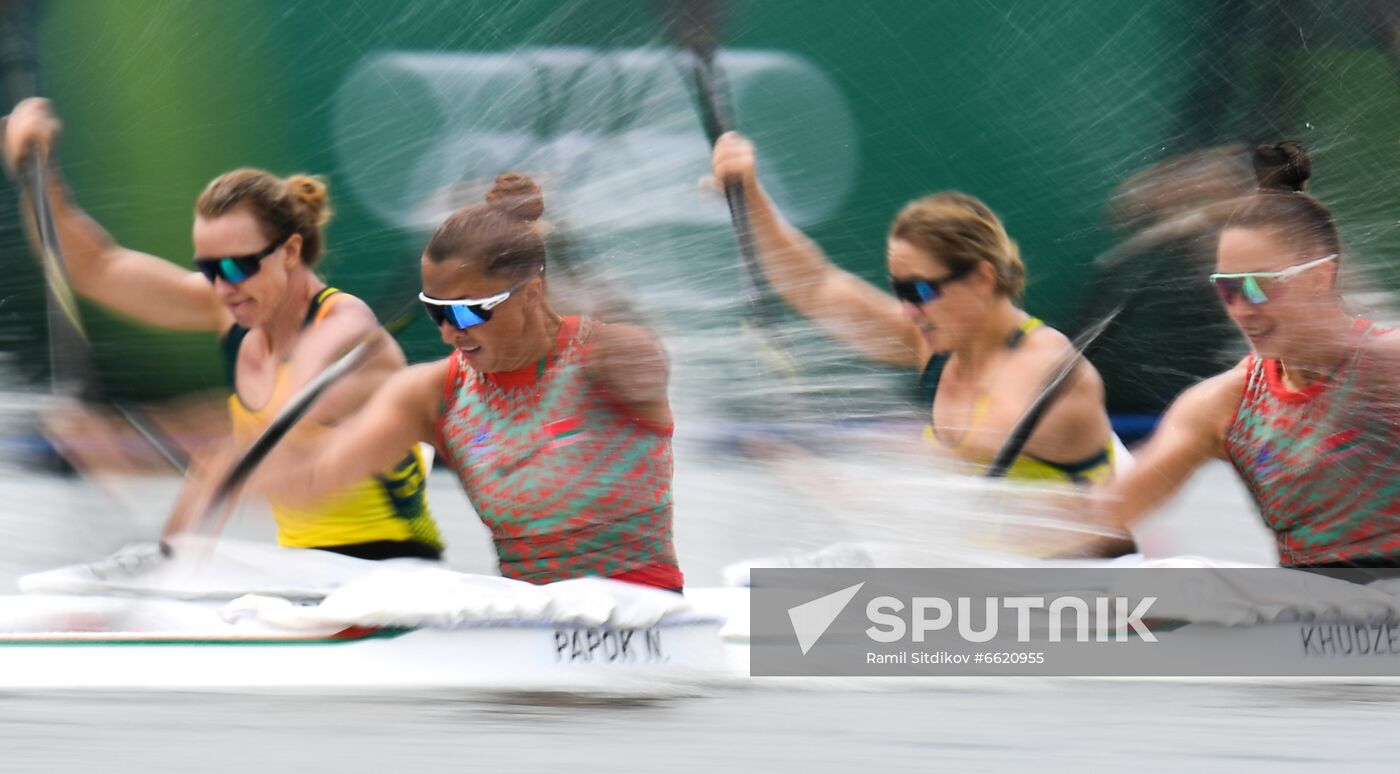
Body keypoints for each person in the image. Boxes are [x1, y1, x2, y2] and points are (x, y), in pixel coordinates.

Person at [2, 98, 444, 561]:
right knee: (215, 471)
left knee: (223, 460)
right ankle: (162, 575)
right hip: (308, 573)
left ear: (290, 252)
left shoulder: (347, 333)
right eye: (208, 268)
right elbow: (95, 266)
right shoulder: (233, 303)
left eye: (237, 266)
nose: (221, 285)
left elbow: (280, 453)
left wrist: (130, 442)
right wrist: (38, 175)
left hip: (393, 570)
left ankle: (163, 577)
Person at [247, 173, 683, 590]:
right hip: (528, 625)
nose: (449, 332)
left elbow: (635, 334)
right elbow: (315, 480)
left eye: (467, 309)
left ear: (532, 293)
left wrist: (553, 239)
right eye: (435, 310)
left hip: (643, 618)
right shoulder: (432, 392)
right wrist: (224, 462)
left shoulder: (609, 356)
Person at [709, 132, 1118, 486]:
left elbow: (976, 443)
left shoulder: (1044, 361)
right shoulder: (934, 344)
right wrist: (750, 196)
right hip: (980, 568)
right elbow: (816, 285)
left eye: (919, 290)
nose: (908, 309)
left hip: (1082, 574)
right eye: (898, 290)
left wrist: (813, 449)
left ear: (981, 278)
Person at [1090, 142, 1400, 567]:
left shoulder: (1385, 359)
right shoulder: (1223, 403)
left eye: (1256, 287)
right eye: (1226, 290)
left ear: (1318, 278)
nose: (1239, 309)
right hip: (1318, 617)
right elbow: (1106, 514)